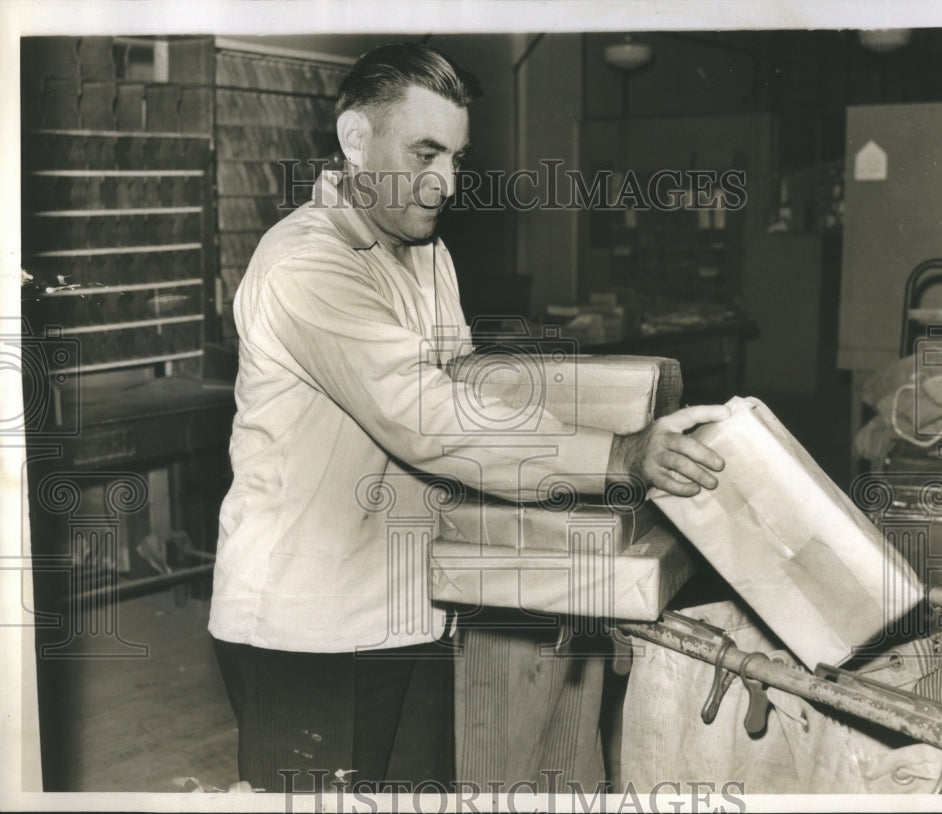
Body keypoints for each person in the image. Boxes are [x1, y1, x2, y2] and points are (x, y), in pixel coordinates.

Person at [208, 42, 729, 795]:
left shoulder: (426, 256)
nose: (447, 182)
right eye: (426, 151)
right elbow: (430, 417)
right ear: (356, 139)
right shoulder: (305, 264)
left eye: (456, 156)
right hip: (308, 622)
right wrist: (616, 454)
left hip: (413, 604)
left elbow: (468, 392)